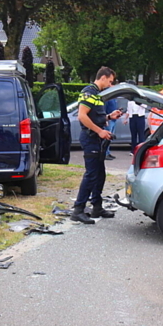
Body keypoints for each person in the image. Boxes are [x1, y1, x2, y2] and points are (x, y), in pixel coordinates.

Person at [71, 66, 122, 224]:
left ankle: (96, 207)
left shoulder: (98, 96)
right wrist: (100, 131)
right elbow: (82, 116)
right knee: (91, 175)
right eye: (110, 81)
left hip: (96, 140)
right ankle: (78, 210)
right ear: (103, 77)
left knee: (100, 175)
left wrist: (109, 117)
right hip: (90, 138)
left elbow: (95, 116)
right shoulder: (89, 92)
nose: (110, 85)